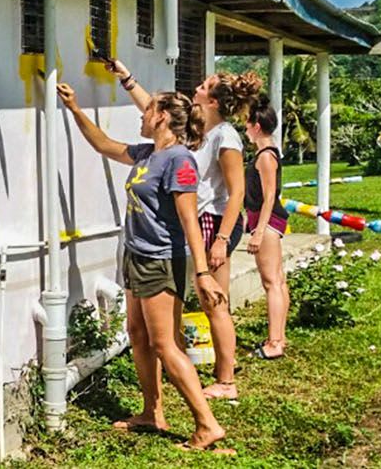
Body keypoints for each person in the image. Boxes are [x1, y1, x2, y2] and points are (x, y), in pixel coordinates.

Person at [57, 82, 231, 454]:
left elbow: (189, 221)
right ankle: (153, 412)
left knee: (165, 345)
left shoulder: (179, 160)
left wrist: (202, 273)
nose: (141, 115)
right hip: (137, 255)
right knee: (137, 333)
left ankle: (207, 424)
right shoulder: (147, 154)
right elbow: (105, 145)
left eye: (147, 110)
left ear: (162, 117)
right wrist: (74, 109)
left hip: (162, 259)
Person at [108, 60, 261, 400]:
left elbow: (237, 192)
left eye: (203, 88)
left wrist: (222, 240)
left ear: (214, 102)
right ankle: (183, 369)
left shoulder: (226, 137)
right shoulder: (198, 132)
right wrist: (128, 79)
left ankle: (226, 380)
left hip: (214, 223)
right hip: (198, 222)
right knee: (193, 302)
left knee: (215, 302)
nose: (196, 90)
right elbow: (156, 113)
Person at [243, 95, 290, 360]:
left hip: (267, 220)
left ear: (256, 126)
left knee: (271, 282)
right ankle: (279, 337)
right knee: (278, 281)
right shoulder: (268, 153)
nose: (246, 130)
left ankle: (274, 343)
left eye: (247, 125)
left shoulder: (265, 156)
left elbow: (269, 195)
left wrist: (259, 231)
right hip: (267, 219)